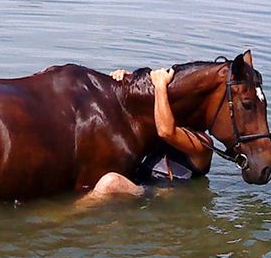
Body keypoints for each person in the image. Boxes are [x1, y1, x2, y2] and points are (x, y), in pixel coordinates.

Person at [81, 67, 214, 203]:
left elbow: (166, 132)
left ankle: (70, 215)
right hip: (140, 183)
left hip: (160, 195)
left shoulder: (203, 144)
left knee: (111, 182)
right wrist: (126, 81)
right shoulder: (159, 125)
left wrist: (160, 86)